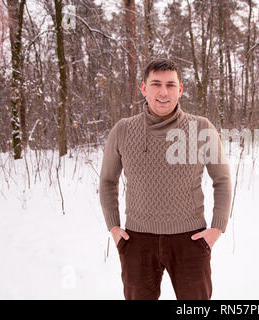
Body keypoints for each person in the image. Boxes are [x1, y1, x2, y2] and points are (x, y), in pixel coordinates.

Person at [99, 58, 232, 300]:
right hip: (137, 241)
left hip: (190, 240)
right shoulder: (123, 130)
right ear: (143, 88)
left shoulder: (202, 128)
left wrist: (217, 228)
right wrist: (114, 226)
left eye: (171, 85)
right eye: (156, 84)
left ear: (180, 89)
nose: (163, 92)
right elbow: (108, 180)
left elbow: (221, 179)